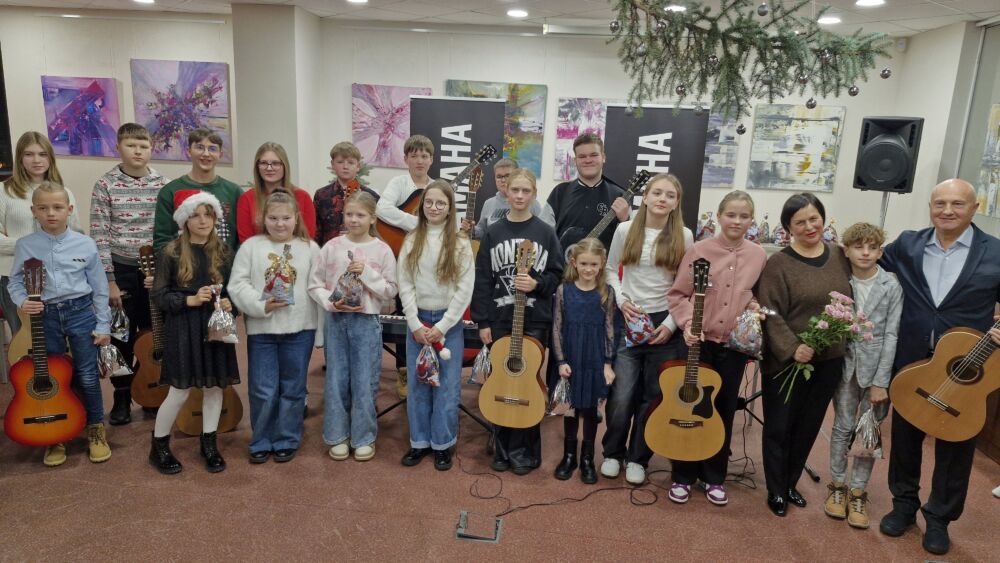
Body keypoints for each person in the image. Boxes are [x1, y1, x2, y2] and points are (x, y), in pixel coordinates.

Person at [878, 179, 1000, 556]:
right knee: (905, 440)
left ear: (974, 207)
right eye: (940, 203)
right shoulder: (908, 244)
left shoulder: (996, 252)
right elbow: (864, 261)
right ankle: (903, 506)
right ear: (930, 206)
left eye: (957, 204)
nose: (947, 211)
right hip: (913, 362)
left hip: (965, 370)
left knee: (956, 446)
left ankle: (939, 519)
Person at [666, 190, 767, 506]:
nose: (737, 221)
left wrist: (755, 310)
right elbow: (677, 295)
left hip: (733, 348)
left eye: (744, 216)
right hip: (700, 345)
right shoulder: (699, 250)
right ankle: (683, 475)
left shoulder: (758, 255)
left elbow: (755, 296)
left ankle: (713, 477)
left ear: (752, 220)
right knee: (690, 406)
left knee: (722, 410)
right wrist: (687, 324)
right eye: (731, 215)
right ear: (719, 216)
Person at [756, 193, 852, 517]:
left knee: (808, 425)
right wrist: (793, 347)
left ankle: (790, 482)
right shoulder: (778, 264)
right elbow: (769, 310)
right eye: (800, 222)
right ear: (788, 228)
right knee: (780, 426)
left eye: (814, 219)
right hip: (786, 360)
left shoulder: (841, 255)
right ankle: (775, 488)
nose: (809, 226)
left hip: (828, 359)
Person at [8, 182, 111, 467]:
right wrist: (21, 300)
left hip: (80, 311)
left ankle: (95, 429)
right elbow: (15, 280)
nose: (50, 213)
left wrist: (103, 325)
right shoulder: (26, 245)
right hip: (45, 317)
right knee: (53, 375)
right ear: (33, 212)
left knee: (87, 375)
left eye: (56, 208)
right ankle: (55, 433)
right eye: (43, 208)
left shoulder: (85, 244)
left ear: (69, 210)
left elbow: (100, 287)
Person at [601, 173, 692, 486]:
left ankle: (639, 458)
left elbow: (686, 288)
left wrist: (669, 325)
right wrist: (621, 299)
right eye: (657, 193)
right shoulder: (626, 229)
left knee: (653, 397)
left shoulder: (685, 235)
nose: (662, 199)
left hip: (664, 326)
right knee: (622, 395)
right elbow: (611, 270)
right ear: (646, 196)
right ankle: (613, 453)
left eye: (670, 195)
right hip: (629, 320)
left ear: (676, 203)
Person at [472, 168, 564, 475]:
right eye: (516, 191)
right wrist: (482, 320)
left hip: (534, 318)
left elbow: (557, 274)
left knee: (528, 382)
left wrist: (537, 284)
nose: (521, 196)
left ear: (534, 194)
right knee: (502, 379)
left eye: (527, 191)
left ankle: (525, 449)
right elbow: (483, 279)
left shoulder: (545, 232)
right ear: (506, 193)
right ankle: (501, 447)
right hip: (499, 318)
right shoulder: (494, 232)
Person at [147, 192, 239, 475]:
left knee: (214, 387)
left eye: (208, 214)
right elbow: (159, 295)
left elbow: (235, 292)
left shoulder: (224, 252)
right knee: (179, 390)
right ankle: (159, 446)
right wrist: (189, 300)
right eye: (195, 215)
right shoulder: (171, 252)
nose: (202, 221)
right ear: (184, 220)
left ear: (215, 219)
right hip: (183, 327)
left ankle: (209, 443)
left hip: (215, 327)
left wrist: (230, 304)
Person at [229, 192, 321, 464]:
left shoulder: (309, 248)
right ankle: (261, 439)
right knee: (263, 388)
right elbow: (237, 284)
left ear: (296, 219)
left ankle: (287, 438)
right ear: (262, 219)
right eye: (273, 218)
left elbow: (317, 288)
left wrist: (321, 332)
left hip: (300, 330)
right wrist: (260, 304)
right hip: (262, 330)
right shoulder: (251, 247)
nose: (280, 224)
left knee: (293, 388)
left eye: (286, 218)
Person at [89, 122, 169, 425]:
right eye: (131, 145)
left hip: (155, 270)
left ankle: (149, 392)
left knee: (153, 334)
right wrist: (108, 281)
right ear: (118, 148)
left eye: (144, 146)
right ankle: (122, 395)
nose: (138, 151)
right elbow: (100, 235)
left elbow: (170, 231)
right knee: (122, 335)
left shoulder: (163, 183)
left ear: (151, 149)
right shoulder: (106, 184)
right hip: (120, 270)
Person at [823, 222, 902, 529]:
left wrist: (882, 381)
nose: (866, 252)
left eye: (872, 247)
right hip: (844, 368)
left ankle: (858, 492)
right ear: (847, 250)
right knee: (842, 427)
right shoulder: (840, 281)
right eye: (859, 246)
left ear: (881, 251)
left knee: (868, 431)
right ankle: (838, 487)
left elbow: (892, 334)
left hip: (876, 372)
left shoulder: (891, 285)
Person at [309, 191, 397, 462]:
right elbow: (314, 284)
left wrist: (366, 274)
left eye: (360, 215)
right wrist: (331, 303)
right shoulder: (331, 247)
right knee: (336, 378)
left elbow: (391, 291)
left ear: (372, 218)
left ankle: (363, 437)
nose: (354, 219)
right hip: (337, 321)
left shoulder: (382, 250)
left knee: (365, 380)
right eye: (349, 214)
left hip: (366, 322)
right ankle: (337, 435)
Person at [396, 180, 475, 471]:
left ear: (450, 207)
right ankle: (419, 442)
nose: (434, 208)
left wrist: (442, 325)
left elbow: (464, 289)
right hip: (417, 321)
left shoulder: (461, 242)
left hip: (448, 324)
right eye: (429, 202)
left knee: (446, 387)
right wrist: (414, 322)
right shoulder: (411, 239)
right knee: (418, 384)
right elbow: (404, 283)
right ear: (422, 206)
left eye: (440, 203)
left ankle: (442, 444)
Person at [1, 132, 82, 345]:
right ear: (20, 158)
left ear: (50, 158)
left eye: (42, 154)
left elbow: (76, 235)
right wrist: (29, 245)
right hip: (14, 277)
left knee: (60, 343)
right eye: (29, 154)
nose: (36, 160)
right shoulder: (4, 191)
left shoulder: (65, 192)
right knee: (25, 341)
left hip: (59, 278)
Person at [551, 238, 617, 484]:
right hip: (570, 357)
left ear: (601, 265)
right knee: (570, 408)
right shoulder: (563, 290)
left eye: (594, 264)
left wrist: (607, 363)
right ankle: (569, 456)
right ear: (574, 263)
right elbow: (556, 327)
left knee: (589, 409)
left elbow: (610, 329)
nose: (588, 269)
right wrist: (560, 361)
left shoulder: (606, 293)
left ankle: (588, 458)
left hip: (594, 358)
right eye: (584, 263)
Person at [152, 128, 242, 254]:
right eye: (199, 147)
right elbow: (162, 241)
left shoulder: (234, 192)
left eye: (212, 149)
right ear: (189, 151)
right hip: (184, 269)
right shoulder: (170, 191)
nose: (206, 154)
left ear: (220, 154)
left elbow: (242, 239)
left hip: (226, 268)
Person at [545, 133, 629, 251]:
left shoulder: (620, 196)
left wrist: (626, 220)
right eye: (582, 156)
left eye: (593, 155)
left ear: (603, 157)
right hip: (563, 268)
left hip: (605, 268)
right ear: (575, 160)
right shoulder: (559, 193)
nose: (588, 160)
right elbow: (544, 235)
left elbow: (632, 242)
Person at [236, 141, 317, 243]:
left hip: (295, 256)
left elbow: (308, 237)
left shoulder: (302, 197)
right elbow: (246, 241)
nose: (269, 168)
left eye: (275, 163)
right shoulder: (246, 198)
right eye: (264, 163)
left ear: (284, 166)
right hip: (257, 257)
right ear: (257, 166)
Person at [313, 141, 379, 246]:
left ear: (358, 166)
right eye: (340, 162)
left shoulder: (371, 196)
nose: (345, 166)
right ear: (332, 164)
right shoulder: (321, 195)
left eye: (351, 162)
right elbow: (317, 230)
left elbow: (376, 230)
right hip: (329, 251)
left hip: (362, 250)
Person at [472, 158, 554, 239]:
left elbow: (542, 232)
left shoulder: (531, 204)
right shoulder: (488, 203)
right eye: (499, 176)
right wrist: (471, 230)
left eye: (507, 175)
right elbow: (482, 232)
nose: (503, 180)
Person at [377, 134, 435, 232]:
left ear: (431, 160)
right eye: (414, 156)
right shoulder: (398, 182)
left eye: (424, 156)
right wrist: (417, 223)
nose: (419, 161)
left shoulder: (437, 188)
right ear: (405, 159)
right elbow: (382, 208)